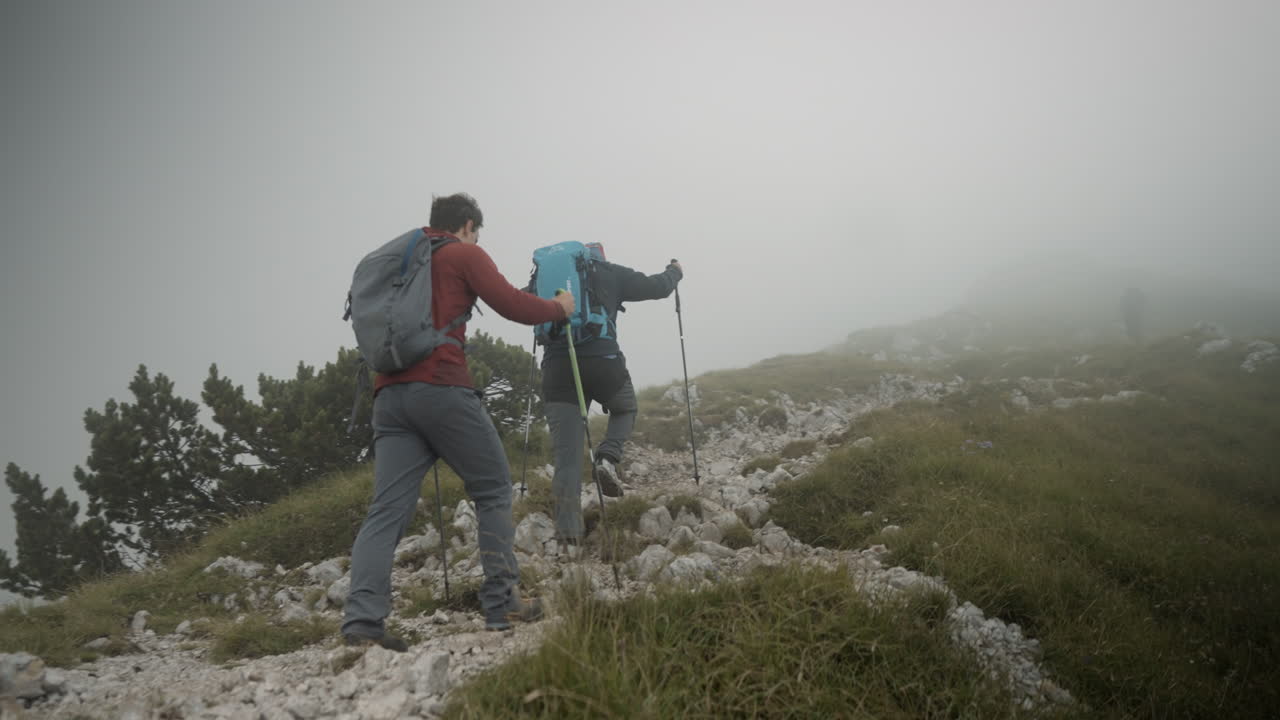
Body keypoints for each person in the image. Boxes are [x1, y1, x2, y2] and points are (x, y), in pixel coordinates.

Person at [342, 193, 575, 649]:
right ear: (467, 225)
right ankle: (501, 600)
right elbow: (512, 304)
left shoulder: (404, 263)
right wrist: (559, 308)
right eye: (477, 231)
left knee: (387, 511)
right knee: (491, 487)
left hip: (389, 397)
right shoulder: (462, 253)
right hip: (442, 388)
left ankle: (362, 622)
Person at [540, 252, 682, 544]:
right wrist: (674, 272)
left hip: (559, 368)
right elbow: (658, 287)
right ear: (597, 257)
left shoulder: (545, 279)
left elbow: (519, 305)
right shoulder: (610, 271)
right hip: (604, 363)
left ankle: (569, 538)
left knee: (566, 457)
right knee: (625, 406)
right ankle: (607, 457)